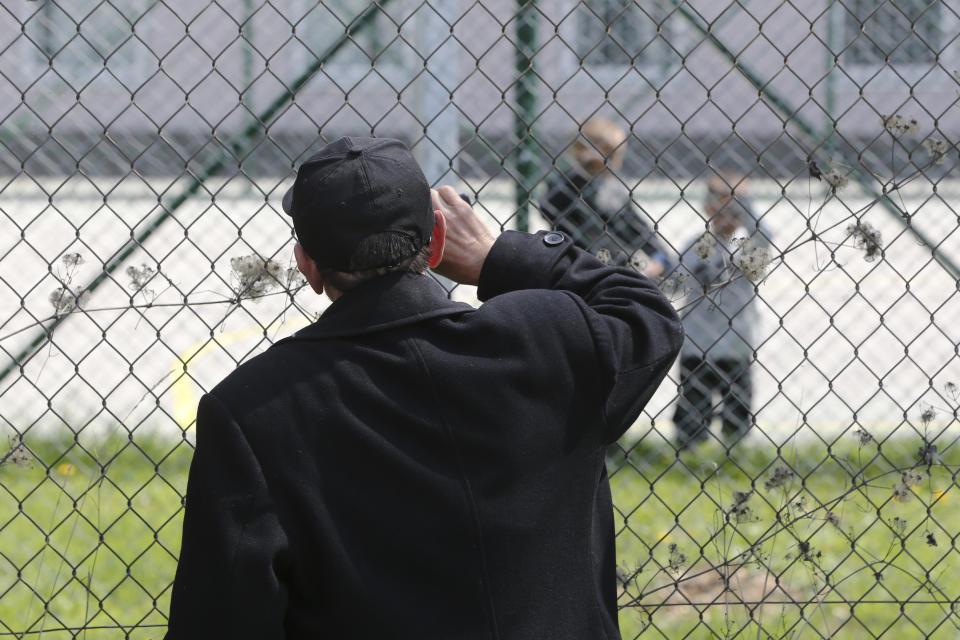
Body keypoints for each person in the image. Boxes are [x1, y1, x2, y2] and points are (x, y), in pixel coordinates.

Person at [164, 136, 683, 639]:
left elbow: (221, 615)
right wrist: (499, 256)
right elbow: (644, 311)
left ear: (308, 267)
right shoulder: (549, 342)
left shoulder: (254, 408)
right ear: (436, 241)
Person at [672, 172, 770, 447]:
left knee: (737, 409)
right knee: (692, 405)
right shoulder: (694, 246)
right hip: (696, 343)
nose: (728, 216)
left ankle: (735, 449)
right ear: (707, 208)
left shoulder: (749, 247)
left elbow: (765, 235)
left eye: (735, 210)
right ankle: (688, 447)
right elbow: (674, 282)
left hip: (736, 344)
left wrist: (745, 204)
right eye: (720, 208)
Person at [539, 117, 672, 278]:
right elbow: (548, 208)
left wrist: (659, 259)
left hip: (614, 267)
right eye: (611, 155)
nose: (617, 163)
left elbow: (639, 229)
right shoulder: (566, 184)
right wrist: (584, 169)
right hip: (573, 266)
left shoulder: (613, 190)